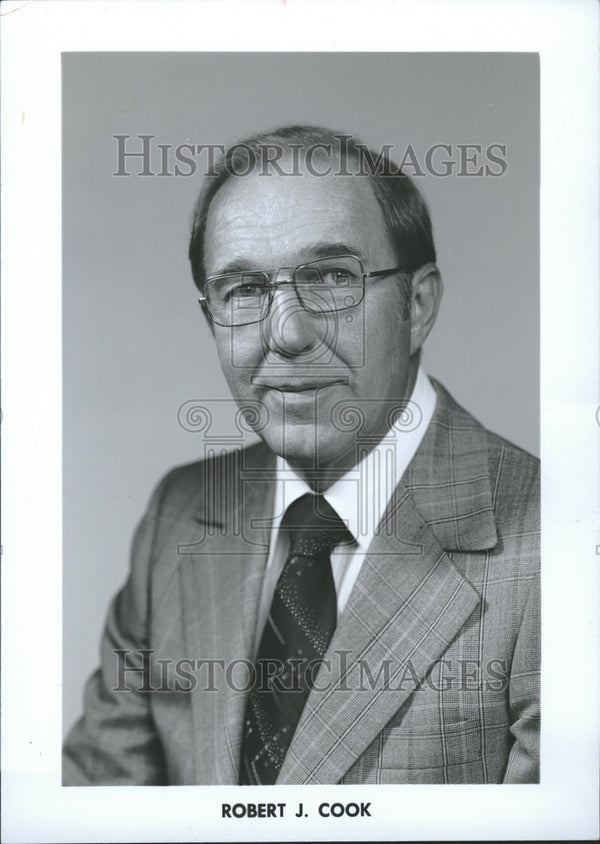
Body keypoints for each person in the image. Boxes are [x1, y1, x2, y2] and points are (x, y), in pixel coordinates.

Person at [63, 125, 540, 785]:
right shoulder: (178, 516)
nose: (285, 334)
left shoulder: (560, 549)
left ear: (419, 304)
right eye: (245, 291)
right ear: (211, 320)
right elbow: (94, 808)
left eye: (331, 278)